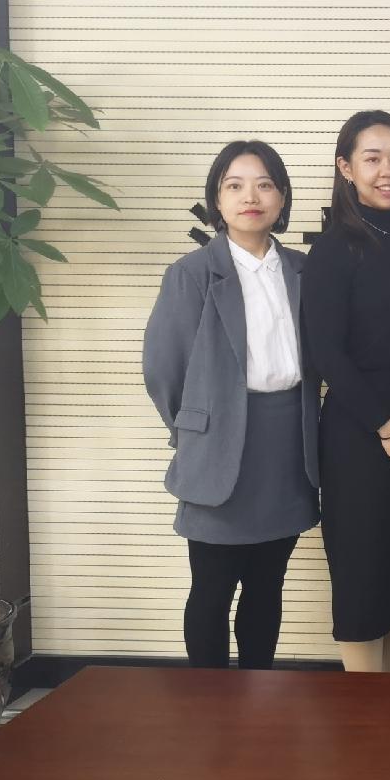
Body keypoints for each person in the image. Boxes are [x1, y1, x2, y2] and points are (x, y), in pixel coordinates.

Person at [143, 140, 319, 669]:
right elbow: (164, 369)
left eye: (264, 185)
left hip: (286, 446)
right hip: (218, 447)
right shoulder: (193, 272)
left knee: (268, 583)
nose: (251, 197)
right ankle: (209, 700)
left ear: (282, 197)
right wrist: (197, 428)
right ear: (217, 200)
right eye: (235, 186)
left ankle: (258, 692)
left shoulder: (304, 271)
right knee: (212, 586)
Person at [303, 110, 390, 673]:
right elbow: (327, 353)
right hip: (361, 433)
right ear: (346, 168)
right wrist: (386, 427)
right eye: (373, 158)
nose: (389, 171)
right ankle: (363, 710)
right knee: (362, 577)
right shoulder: (335, 247)